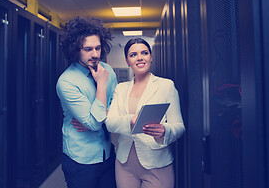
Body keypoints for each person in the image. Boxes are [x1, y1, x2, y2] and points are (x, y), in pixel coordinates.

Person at [106, 38, 185, 188]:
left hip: (157, 163)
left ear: (151, 57)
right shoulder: (120, 88)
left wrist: (164, 130)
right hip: (124, 163)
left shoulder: (166, 86)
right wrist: (131, 120)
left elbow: (179, 126)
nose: (140, 57)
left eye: (144, 53)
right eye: (133, 54)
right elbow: (110, 122)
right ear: (127, 61)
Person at [56, 16, 117, 188]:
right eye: (88, 49)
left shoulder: (108, 70)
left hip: (106, 153)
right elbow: (95, 122)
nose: (95, 54)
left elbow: (117, 106)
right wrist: (102, 85)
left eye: (98, 48)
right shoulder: (66, 82)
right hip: (80, 159)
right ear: (75, 49)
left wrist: (97, 118)